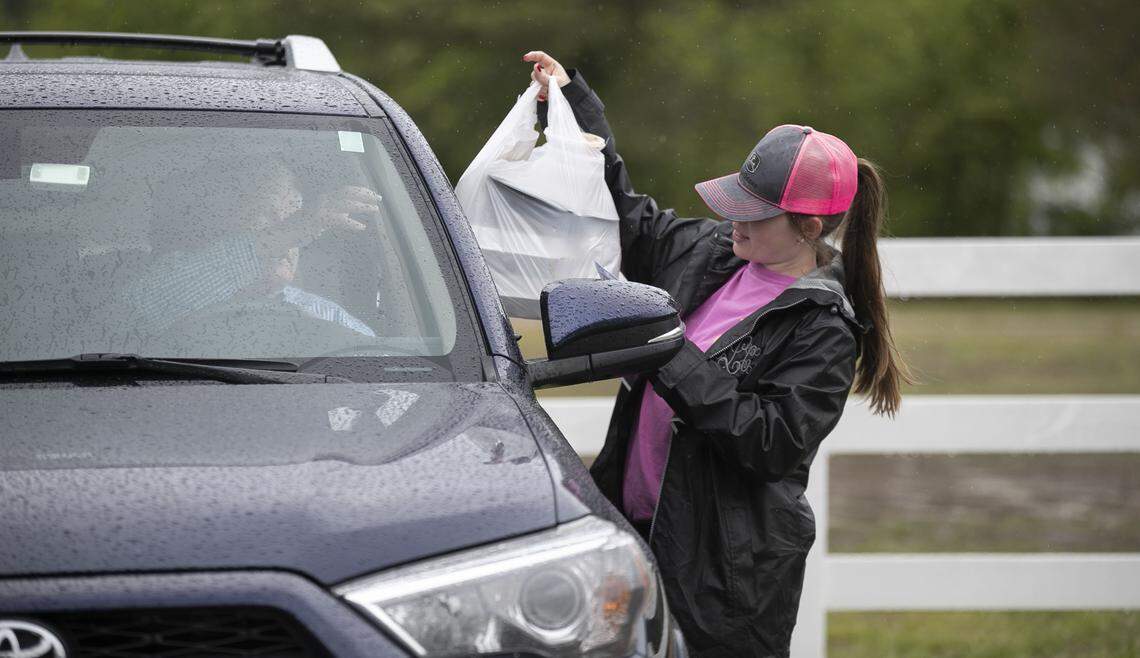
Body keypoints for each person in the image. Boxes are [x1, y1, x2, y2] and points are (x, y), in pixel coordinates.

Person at [523, 51, 910, 657]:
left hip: (723, 581)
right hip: (636, 530)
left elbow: (770, 443)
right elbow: (632, 220)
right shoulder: (713, 252)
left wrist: (669, 355)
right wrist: (577, 108)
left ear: (809, 229)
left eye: (754, 214)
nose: (734, 220)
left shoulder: (824, 328)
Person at [109, 158, 383, 343]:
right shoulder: (167, 281)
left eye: (294, 214)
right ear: (222, 224)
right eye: (267, 214)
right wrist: (301, 226)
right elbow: (142, 307)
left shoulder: (328, 317)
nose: (291, 234)